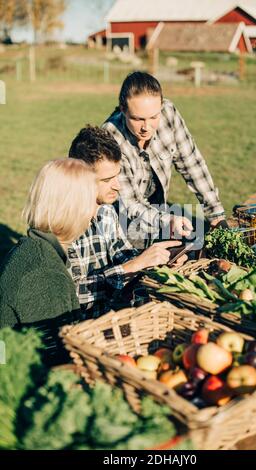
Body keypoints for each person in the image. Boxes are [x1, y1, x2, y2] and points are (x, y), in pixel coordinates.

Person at [68, 126, 184, 318]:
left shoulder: (106, 211)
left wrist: (158, 261)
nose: (118, 185)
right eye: (106, 179)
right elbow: (71, 294)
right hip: (75, 333)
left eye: (117, 175)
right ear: (79, 177)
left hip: (110, 319)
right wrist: (133, 266)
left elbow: (124, 255)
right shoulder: (60, 222)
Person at [102, 71, 228, 247]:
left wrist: (215, 214)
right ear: (122, 109)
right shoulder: (110, 137)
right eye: (138, 119)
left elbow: (191, 163)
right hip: (121, 226)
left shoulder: (168, 113)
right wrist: (167, 221)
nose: (146, 127)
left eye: (154, 117)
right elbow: (129, 204)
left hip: (159, 213)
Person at [0, 159, 98, 364]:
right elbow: (58, 360)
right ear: (74, 209)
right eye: (92, 202)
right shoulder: (44, 274)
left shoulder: (30, 249)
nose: (94, 213)